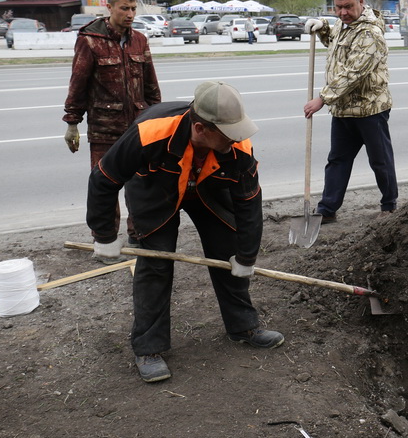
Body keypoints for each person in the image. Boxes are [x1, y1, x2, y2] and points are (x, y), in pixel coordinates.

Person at [86, 81, 284, 383]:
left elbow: (248, 202)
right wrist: (104, 235)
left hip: (209, 187)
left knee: (226, 250)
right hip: (156, 190)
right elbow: (104, 179)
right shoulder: (150, 133)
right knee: (156, 262)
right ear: (201, 128)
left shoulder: (237, 145)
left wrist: (246, 255)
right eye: (227, 133)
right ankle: (148, 348)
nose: (236, 138)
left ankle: (243, 326)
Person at [64, 0, 162, 244]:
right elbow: (78, 84)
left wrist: (158, 120)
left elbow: (151, 85)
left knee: (140, 185)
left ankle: (138, 234)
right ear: (109, 7)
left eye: (133, 9)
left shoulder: (140, 40)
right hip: (104, 129)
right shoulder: (89, 40)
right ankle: (105, 239)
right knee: (104, 187)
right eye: (124, 8)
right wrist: (72, 123)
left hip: (138, 128)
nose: (130, 14)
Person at [302, 0, 398, 222]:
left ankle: (389, 205)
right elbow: (334, 41)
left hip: (370, 109)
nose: (343, 12)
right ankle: (327, 209)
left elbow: (353, 74)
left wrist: (322, 99)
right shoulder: (343, 25)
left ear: (361, 2)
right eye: (338, 7)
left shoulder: (370, 33)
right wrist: (322, 26)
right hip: (344, 110)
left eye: (348, 6)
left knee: (380, 160)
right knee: (337, 160)